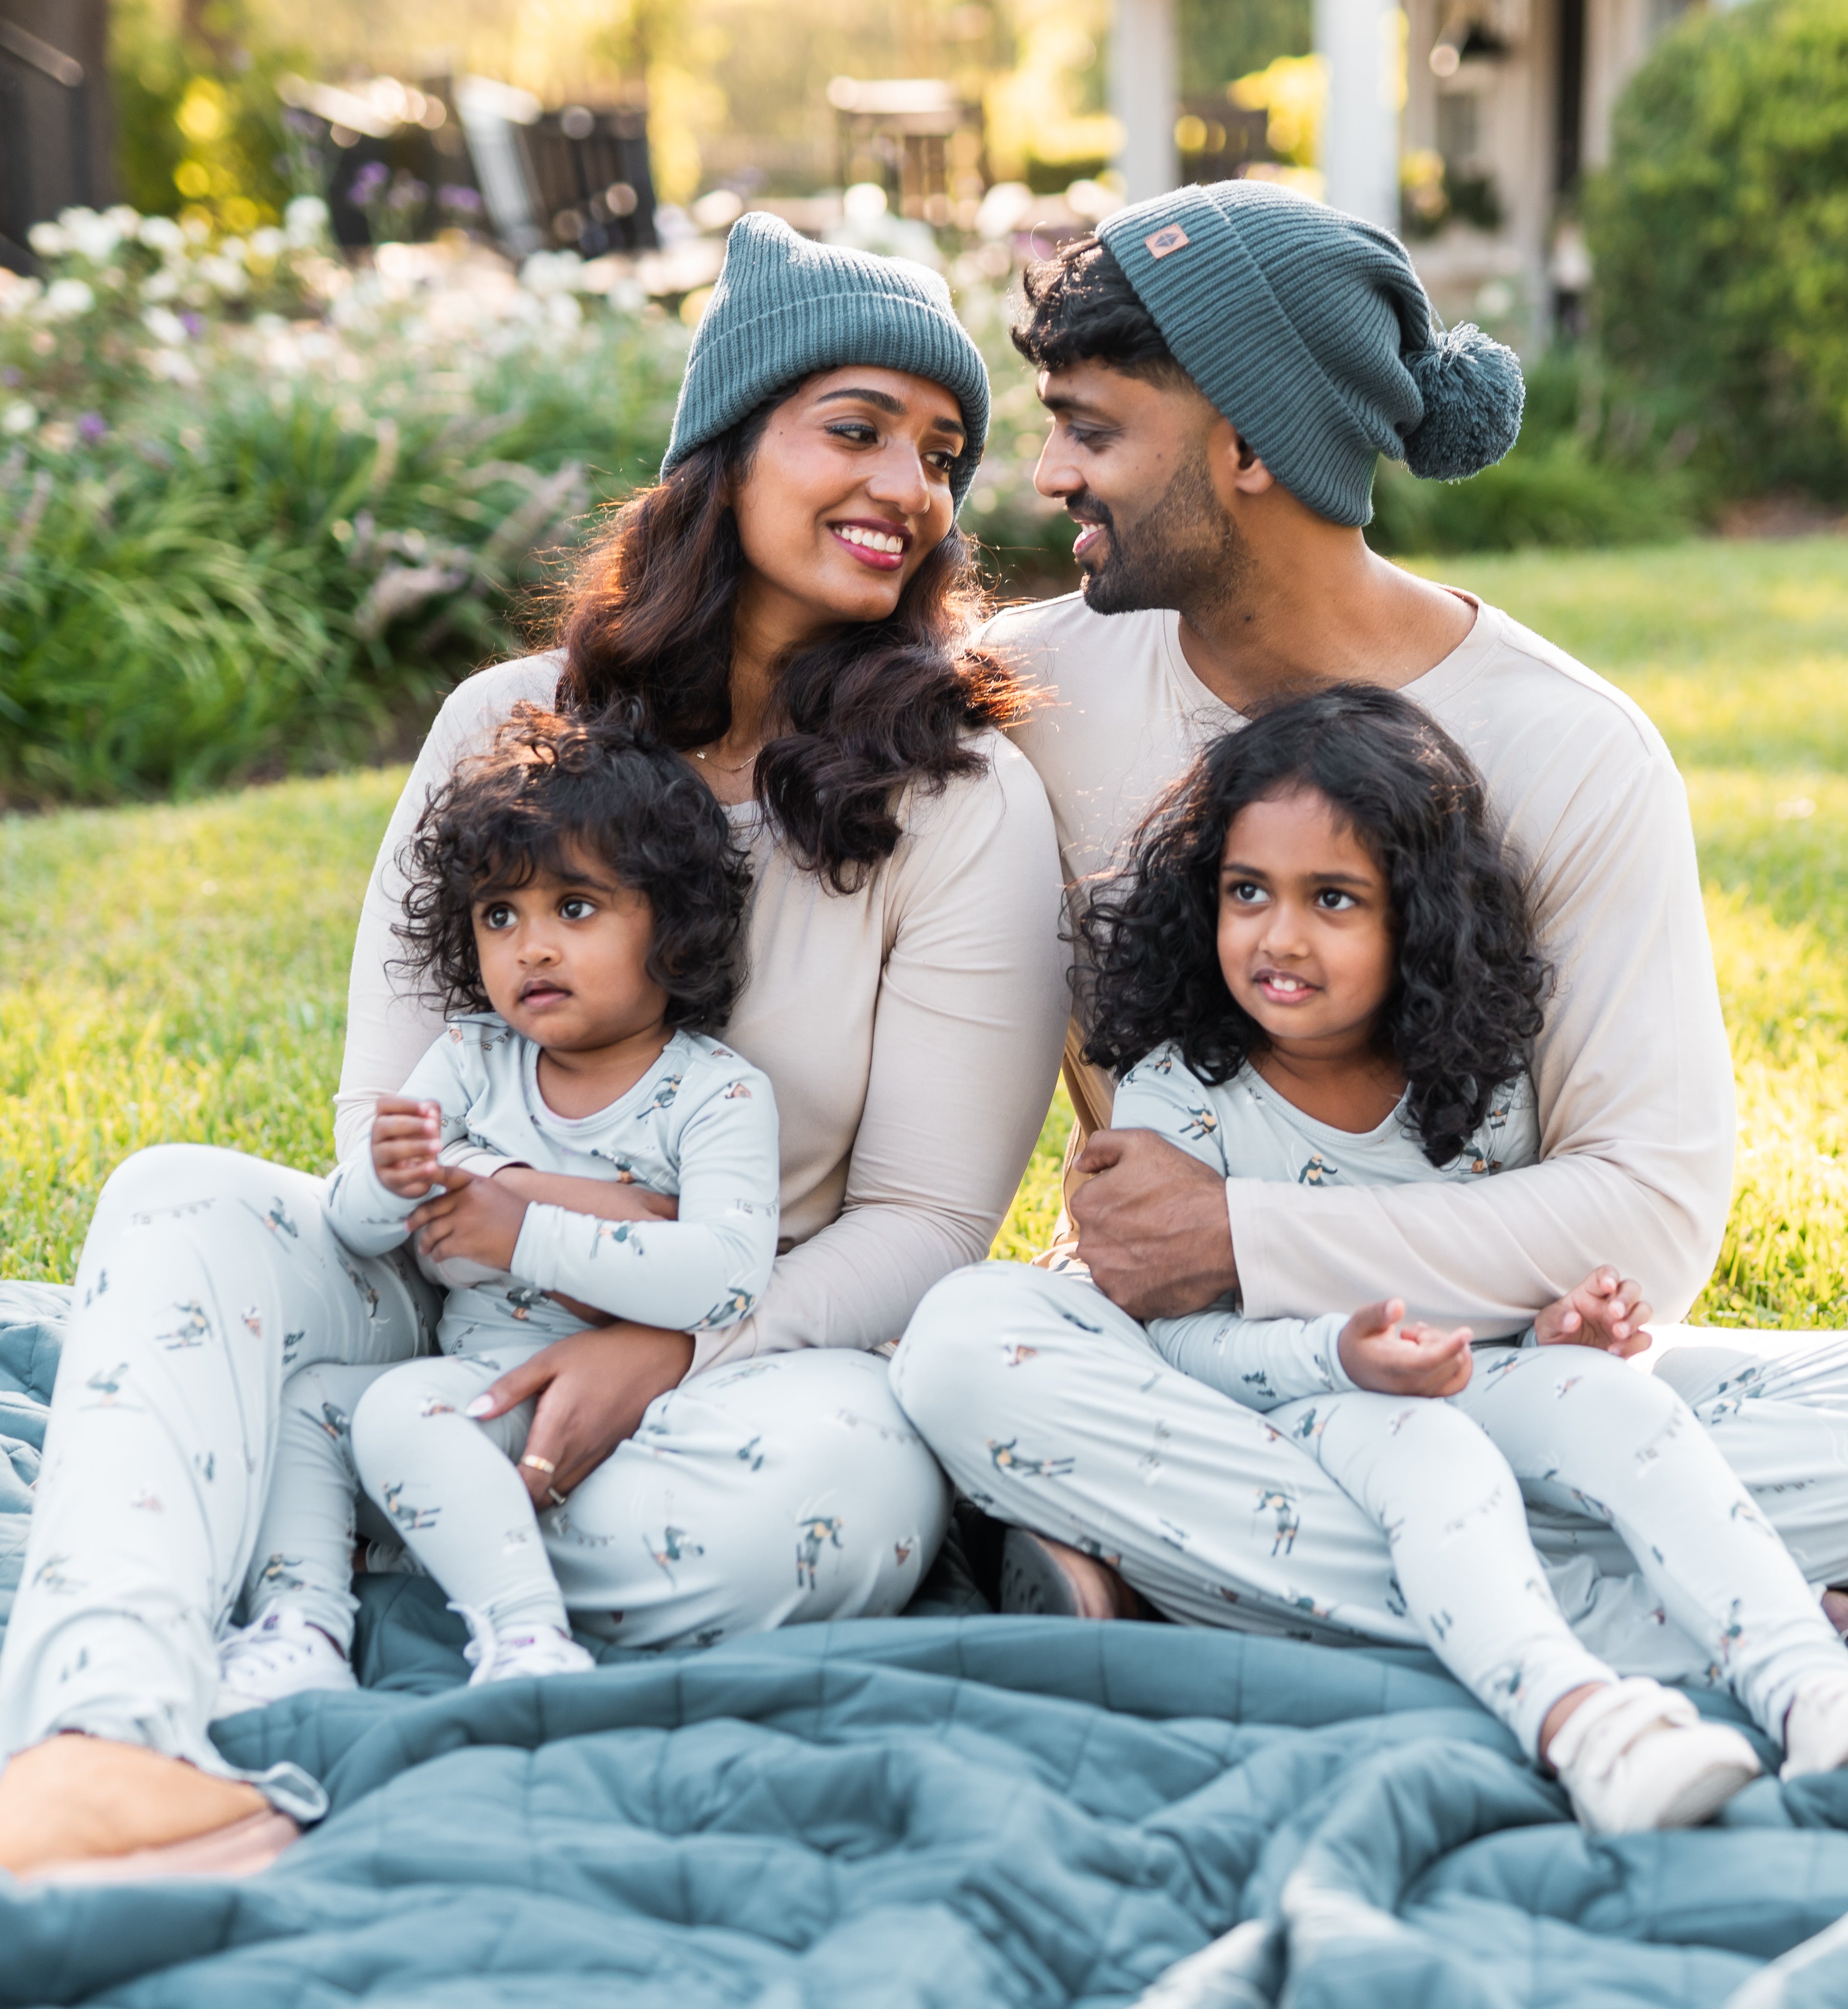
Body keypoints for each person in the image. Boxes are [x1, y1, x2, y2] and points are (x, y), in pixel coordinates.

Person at [0, 213, 1069, 1878]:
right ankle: (108, 1734)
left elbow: (928, 1225)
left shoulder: (958, 797)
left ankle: (321, 1507)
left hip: (759, 1350)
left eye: (942, 454)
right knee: (178, 1200)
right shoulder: (507, 724)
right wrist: (462, 1216)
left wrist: (676, 1337)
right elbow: (385, 1106)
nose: (910, 486)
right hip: (442, 1280)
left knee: (812, 1511)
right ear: (725, 451)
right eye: (855, 428)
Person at [891, 179, 1848, 1727]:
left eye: (1093, 430)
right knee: (971, 1355)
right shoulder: (1023, 698)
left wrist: (1244, 1232)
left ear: (1245, 444)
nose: (1045, 474)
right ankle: (1770, 1625)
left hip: (1493, 1371)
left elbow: (1648, 1211)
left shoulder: (1568, 752)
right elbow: (737, 719)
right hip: (1203, 1375)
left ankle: (1170, 1575)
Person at [1072, 682, 1848, 1819]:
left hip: (1479, 1382)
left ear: (1418, 920)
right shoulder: (1176, 1097)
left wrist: (1554, 1328)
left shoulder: (1477, 1085)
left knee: (1624, 1410)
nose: (1278, 935)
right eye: (1245, 890)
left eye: (1334, 898)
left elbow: (1488, 1297)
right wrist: (1337, 1358)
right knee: (1433, 1462)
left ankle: (1809, 1686)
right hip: (1305, 1422)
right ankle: (1578, 1715)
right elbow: (1175, 1338)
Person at [222, 704, 807, 1705]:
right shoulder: (469, 1060)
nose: (530, 947)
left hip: (619, 1400)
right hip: (474, 1384)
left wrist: (520, 1225)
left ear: (672, 920)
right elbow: (361, 1231)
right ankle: (302, 1622)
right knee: (307, 1403)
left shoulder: (716, 1093)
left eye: (573, 908)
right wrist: (387, 1178)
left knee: (407, 1407)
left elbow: (721, 1275)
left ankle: (526, 1636)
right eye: (501, 915)